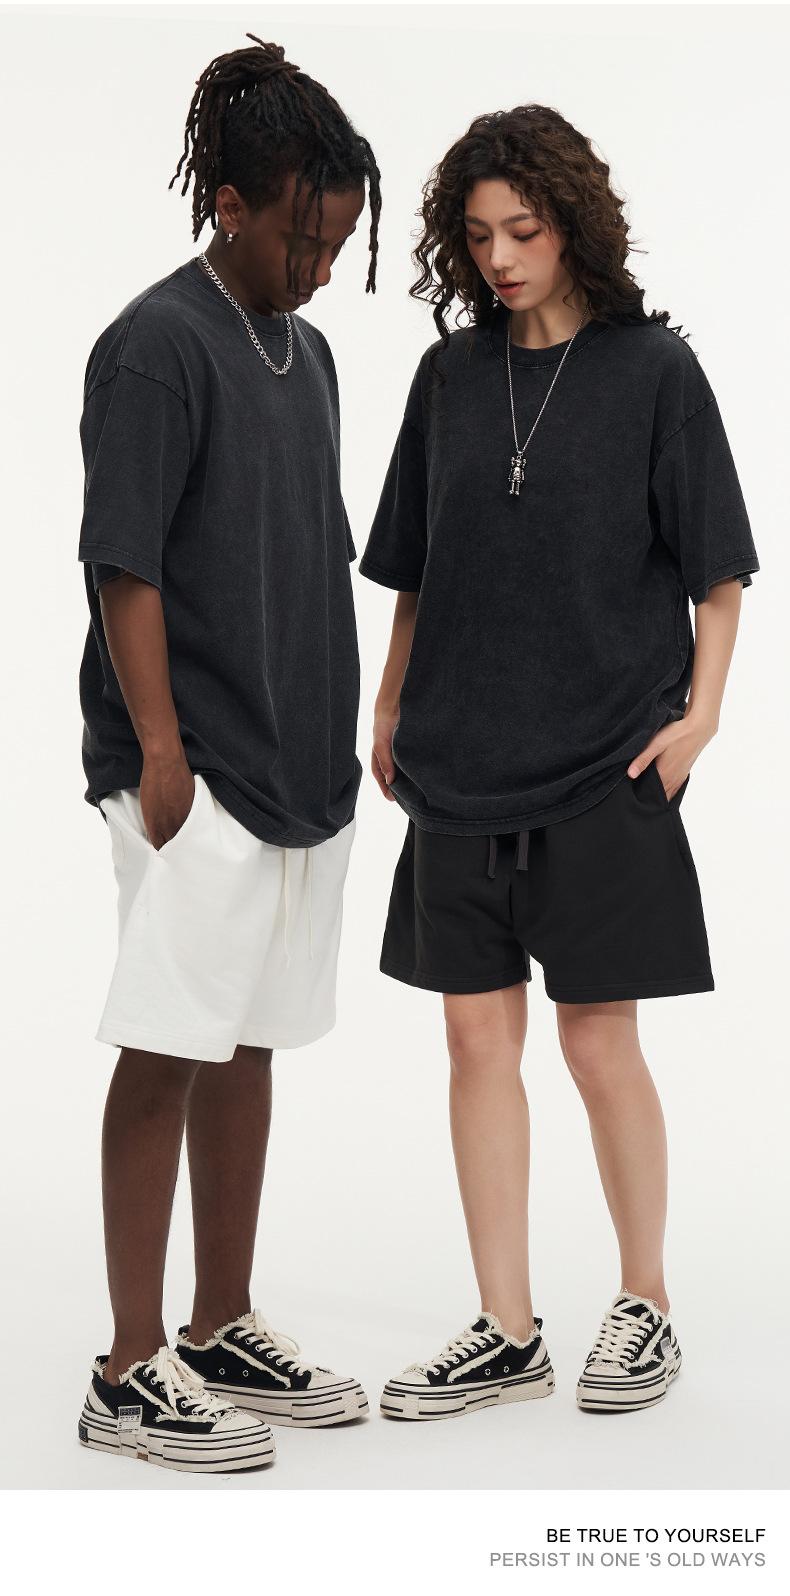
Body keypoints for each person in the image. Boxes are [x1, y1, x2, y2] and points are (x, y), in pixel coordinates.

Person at [360, 103, 759, 1421]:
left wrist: (701, 716)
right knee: (474, 1040)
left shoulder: (654, 372)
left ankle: (644, 1302)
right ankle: (507, 1328)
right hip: (458, 758)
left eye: (522, 230)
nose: (499, 258)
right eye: (477, 236)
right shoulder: (448, 379)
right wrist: (388, 705)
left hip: (605, 758)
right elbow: (415, 570)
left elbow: (717, 569)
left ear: (571, 223)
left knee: (597, 1044)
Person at [76, 35, 380, 1473]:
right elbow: (123, 564)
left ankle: (217, 1323)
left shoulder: (307, 355)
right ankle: (128, 1367)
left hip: (293, 766)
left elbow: (306, 552)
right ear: (232, 203)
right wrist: (157, 749)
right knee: (166, 1044)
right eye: (301, 240)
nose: (318, 268)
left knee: (246, 1041)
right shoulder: (156, 346)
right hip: (188, 766)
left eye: (336, 245)